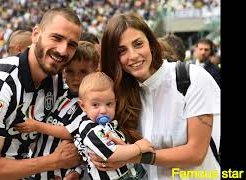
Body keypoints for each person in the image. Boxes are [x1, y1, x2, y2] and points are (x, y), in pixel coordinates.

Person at [0, 8, 83, 180]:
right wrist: (54, 161)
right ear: (36, 34)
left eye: (72, 44)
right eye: (56, 38)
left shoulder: (55, 82)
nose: (63, 50)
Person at [94, 13, 220, 180]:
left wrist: (134, 155)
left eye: (138, 44)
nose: (132, 56)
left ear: (151, 43)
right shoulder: (121, 95)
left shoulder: (193, 77)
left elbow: (196, 154)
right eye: (121, 51)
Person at [16, 72, 154, 180]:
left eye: (109, 104)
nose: (103, 110)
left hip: (130, 173)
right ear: (83, 106)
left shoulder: (109, 125)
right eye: (95, 105)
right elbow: (111, 154)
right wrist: (138, 148)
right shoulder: (90, 130)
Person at [16, 41, 100, 180]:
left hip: (60, 173)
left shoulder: (91, 104)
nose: (76, 78)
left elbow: (72, 132)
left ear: (95, 72)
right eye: (70, 71)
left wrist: (36, 126)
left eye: (83, 72)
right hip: (38, 169)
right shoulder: (60, 95)